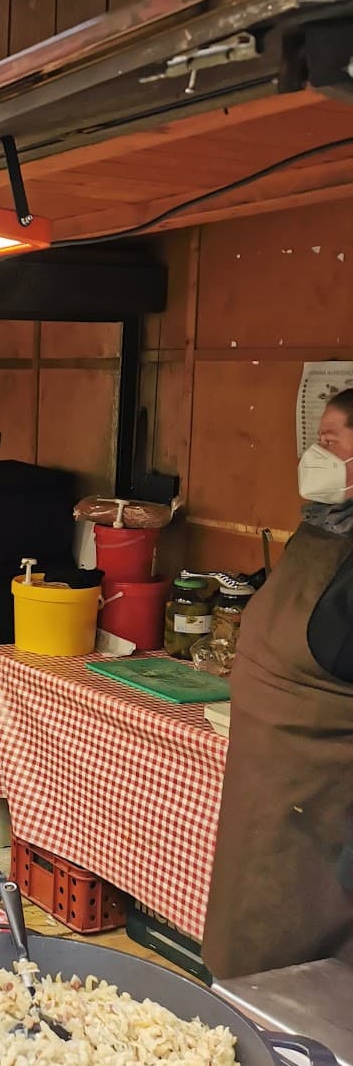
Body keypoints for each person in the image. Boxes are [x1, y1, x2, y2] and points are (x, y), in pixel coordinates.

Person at [202, 389, 353, 979]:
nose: (321, 447)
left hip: (318, 817)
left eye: (338, 437)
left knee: (297, 981)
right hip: (264, 801)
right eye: (322, 433)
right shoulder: (323, 529)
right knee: (245, 950)